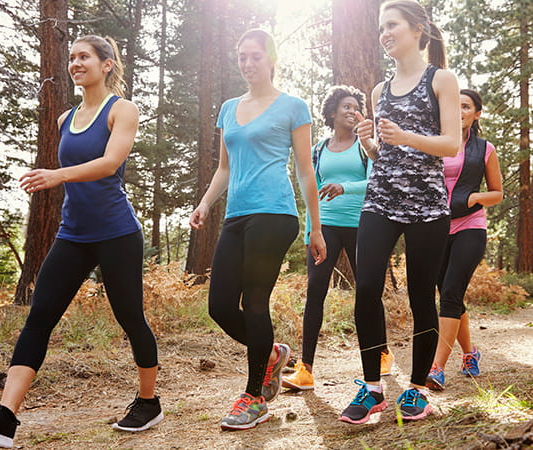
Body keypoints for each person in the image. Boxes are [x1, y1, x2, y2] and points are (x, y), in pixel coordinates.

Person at [0, 35, 162, 448]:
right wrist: (55, 177)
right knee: (39, 316)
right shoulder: (66, 118)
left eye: (84, 57)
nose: (75, 63)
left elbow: (110, 162)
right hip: (73, 234)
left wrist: (57, 175)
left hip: (117, 232)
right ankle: (5, 416)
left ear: (106, 64)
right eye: (72, 58)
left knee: (130, 317)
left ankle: (148, 401)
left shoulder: (122, 110)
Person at [189, 29, 326, 431]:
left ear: (270, 58)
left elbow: (304, 170)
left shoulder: (292, 106)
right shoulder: (229, 108)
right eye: (242, 57)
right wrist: (205, 202)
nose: (248, 64)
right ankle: (271, 353)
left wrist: (314, 227)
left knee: (255, 302)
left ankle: (253, 398)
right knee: (218, 305)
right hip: (237, 215)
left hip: (275, 213)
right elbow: (224, 168)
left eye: (255, 56)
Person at [338, 0, 461, 424]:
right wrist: (370, 142)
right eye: (380, 28)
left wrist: (406, 134)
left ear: (417, 29)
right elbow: (382, 155)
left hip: (427, 205)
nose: (384, 33)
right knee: (367, 286)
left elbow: (451, 145)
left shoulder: (441, 79)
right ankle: (372, 388)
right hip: (382, 199)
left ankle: (417, 389)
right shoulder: (379, 90)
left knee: (419, 294)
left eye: (392, 25)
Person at [282, 86, 394, 391]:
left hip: (363, 225)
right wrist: (310, 231)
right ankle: (306, 369)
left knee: (368, 292)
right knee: (315, 291)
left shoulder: (364, 146)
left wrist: (345, 187)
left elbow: (376, 180)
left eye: (356, 107)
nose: (351, 110)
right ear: (332, 112)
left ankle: (381, 352)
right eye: (345, 106)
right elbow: (310, 190)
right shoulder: (318, 149)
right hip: (326, 226)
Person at [425, 88, 503, 390]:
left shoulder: (484, 148)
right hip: (435, 228)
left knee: (451, 294)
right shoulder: (433, 144)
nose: (459, 110)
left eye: (466, 106)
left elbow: (497, 193)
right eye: (453, 105)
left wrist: (473, 198)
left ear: (476, 113)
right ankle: (470, 354)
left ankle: (436, 368)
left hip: (470, 226)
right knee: (449, 295)